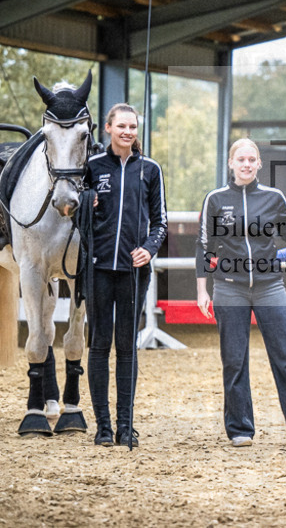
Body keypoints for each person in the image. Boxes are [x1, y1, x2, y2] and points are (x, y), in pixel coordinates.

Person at [195, 138, 286, 448]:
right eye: (240, 159)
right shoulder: (215, 199)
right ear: (231, 163)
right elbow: (204, 247)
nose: (246, 164)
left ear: (258, 164)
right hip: (229, 289)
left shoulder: (274, 197)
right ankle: (240, 428)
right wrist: (202, 289)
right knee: (234, 359)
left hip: (270, 286)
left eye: (251, 160)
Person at [85, 103, 166, 447]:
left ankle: (124, 424)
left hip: (134, 273)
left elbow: (160, 221)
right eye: (121, 126)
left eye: (132, 127)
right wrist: (84, 206)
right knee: (100, 344)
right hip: (99, 269)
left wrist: (149, 248)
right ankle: (103, 426)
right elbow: (73, 217)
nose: (128, 132)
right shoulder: (90, 167)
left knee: (127, 347)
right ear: (108, 128)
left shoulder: (150, 169)